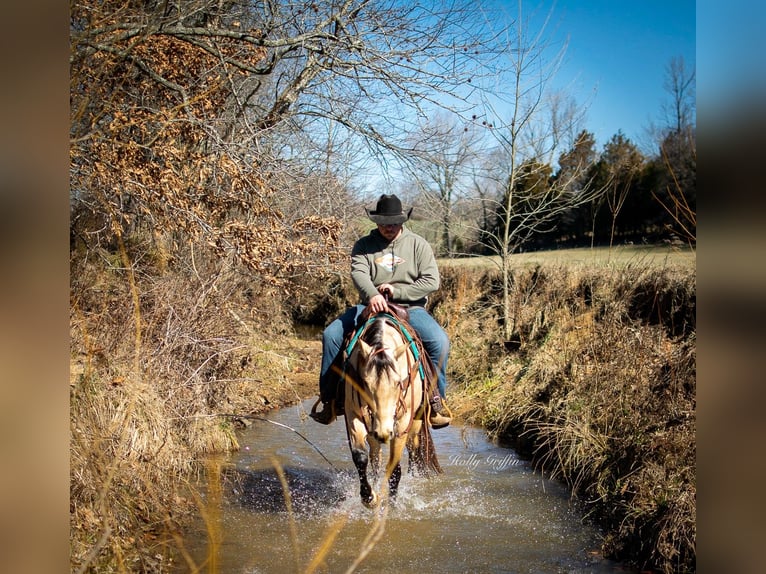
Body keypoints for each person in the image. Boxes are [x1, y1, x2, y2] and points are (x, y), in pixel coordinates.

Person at [310, 194, 452, 428]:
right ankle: (331, 401)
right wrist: (373, 295)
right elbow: (358, 273)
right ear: (376, 222)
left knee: (440, 342)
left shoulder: (418, 244)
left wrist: (397, 292)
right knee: (331, 335)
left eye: (394, 222)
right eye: (385, 223)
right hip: (369, 306)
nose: (389, 227)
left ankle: (434, 402)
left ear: (402, 221)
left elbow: (431, 281)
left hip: (410, 309)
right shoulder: (364, 245)